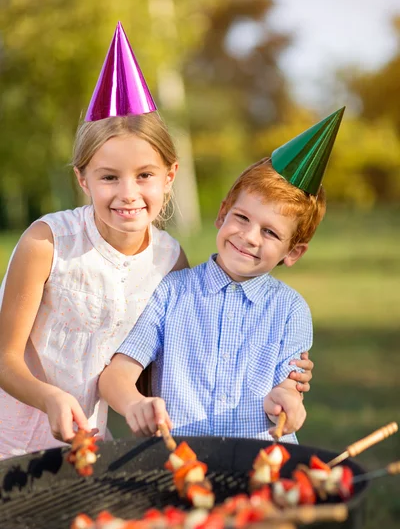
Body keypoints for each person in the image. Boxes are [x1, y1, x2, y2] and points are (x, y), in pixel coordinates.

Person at [0, 23, 312, 459]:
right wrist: (52, 396)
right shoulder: (47, 242)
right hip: (12, 429)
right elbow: (5, 357)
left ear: (169, 177)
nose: (128, 193)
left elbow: (165, 358)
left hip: (88, 436)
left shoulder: (168, 260)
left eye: (144, 175)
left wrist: (287, 382)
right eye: (109, 177)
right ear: (82, 178)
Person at [99, 107, 345, 443]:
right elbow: (117, 375)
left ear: (293, 252)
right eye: (242, 218)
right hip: (178, 460)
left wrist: (288, 402)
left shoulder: (291, 310)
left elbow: (291, 387)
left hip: (258, 462)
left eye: (270, 233)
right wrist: (134, 403)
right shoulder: (172, 292)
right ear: (222, 214)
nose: (249, 236)